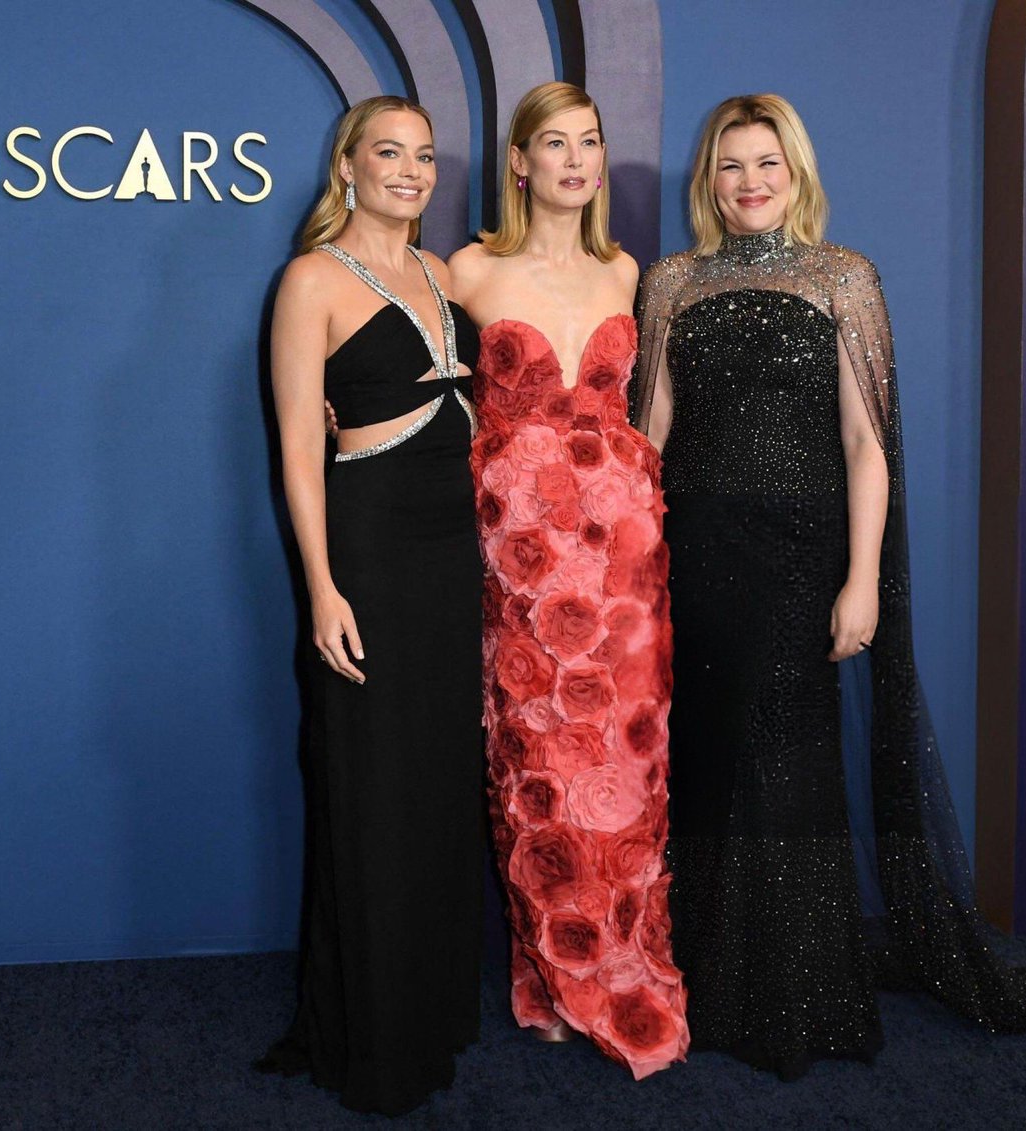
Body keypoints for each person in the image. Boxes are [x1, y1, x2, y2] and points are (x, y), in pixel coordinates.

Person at [633, 93, 1026, 1078]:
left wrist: (863, 582)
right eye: (730, 166)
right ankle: (712, 985)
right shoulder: (670, 282)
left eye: (768, 164)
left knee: (784, 765)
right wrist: (621, 544)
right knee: (711, 759)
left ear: (796, 174)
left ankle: (802, 997)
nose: (750, 183)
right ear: (705, 182)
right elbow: (653, 428)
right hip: (695, 553)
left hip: (802, 555)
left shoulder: (844, 277)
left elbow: (864, 445)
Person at [448, 81, 689, 1079]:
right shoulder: (467, 268)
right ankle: (547, 977)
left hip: (624, 564)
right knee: (537, 766)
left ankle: (625, 966)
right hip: (523, 566)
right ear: (520, 162)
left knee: (625, 771)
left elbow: (646, 405)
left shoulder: (624, 269)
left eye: (590, 141)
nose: (577, 160)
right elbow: (431, 391)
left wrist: (633, 493)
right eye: (555, 143)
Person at [256, 96, 484, 1115]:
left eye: (425, 156)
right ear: (346, 166)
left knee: (438, 786)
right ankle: (369, 1035)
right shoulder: (309, 281)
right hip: (371, 554)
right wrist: (323, 587)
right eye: (389, 153)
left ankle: (431, 1009)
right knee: (372, 789)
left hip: (457, 560)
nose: (411, 171)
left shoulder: (446, 274)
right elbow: (299, 447)